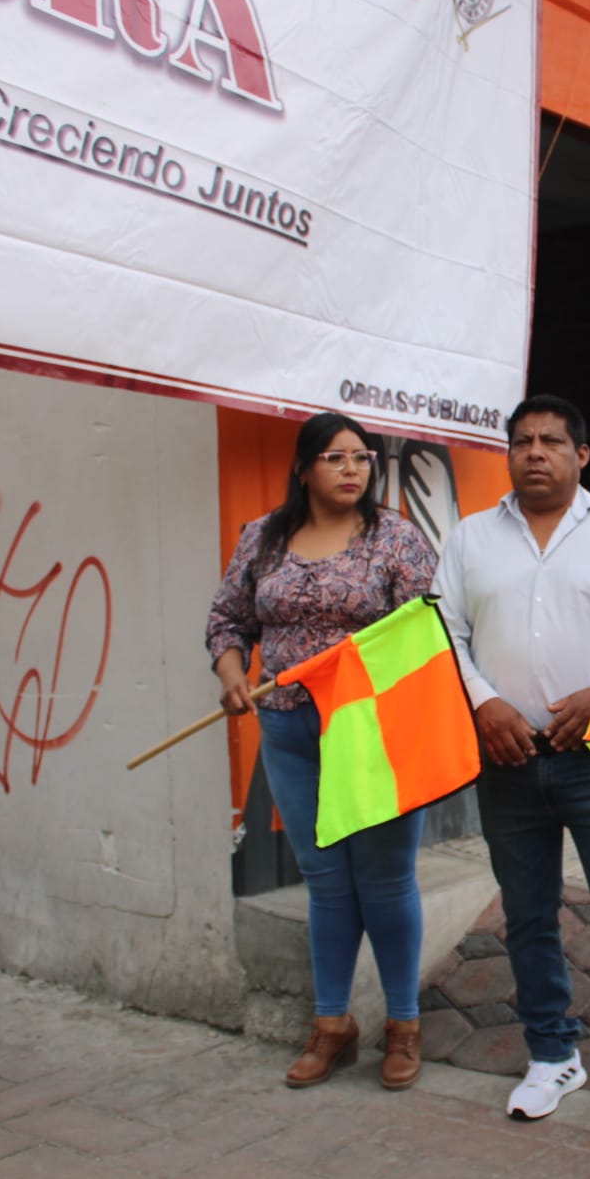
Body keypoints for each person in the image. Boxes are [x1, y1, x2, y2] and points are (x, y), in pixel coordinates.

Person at [433, 395, 590, 1130]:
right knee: (527, 916)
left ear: (582, 455)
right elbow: (444, 631)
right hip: (507, 758)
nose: (535, 452)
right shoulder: (471, 539)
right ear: (508, 454)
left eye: (552, 441)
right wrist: (484, 701)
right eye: (522, 442)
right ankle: (552, 1056)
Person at [206, 412, 438, 1091]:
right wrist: (231, 675)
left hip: (372, 733)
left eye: (361, 459)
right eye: (335, 458)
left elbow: (430, 632)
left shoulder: (394, 538)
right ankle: (332, 1023)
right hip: (287, 732)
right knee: (328, 883)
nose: (351, 471)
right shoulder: (263, 539)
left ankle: (404, 1023)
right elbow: (228, 619)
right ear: (304, 468)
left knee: (387, 879)